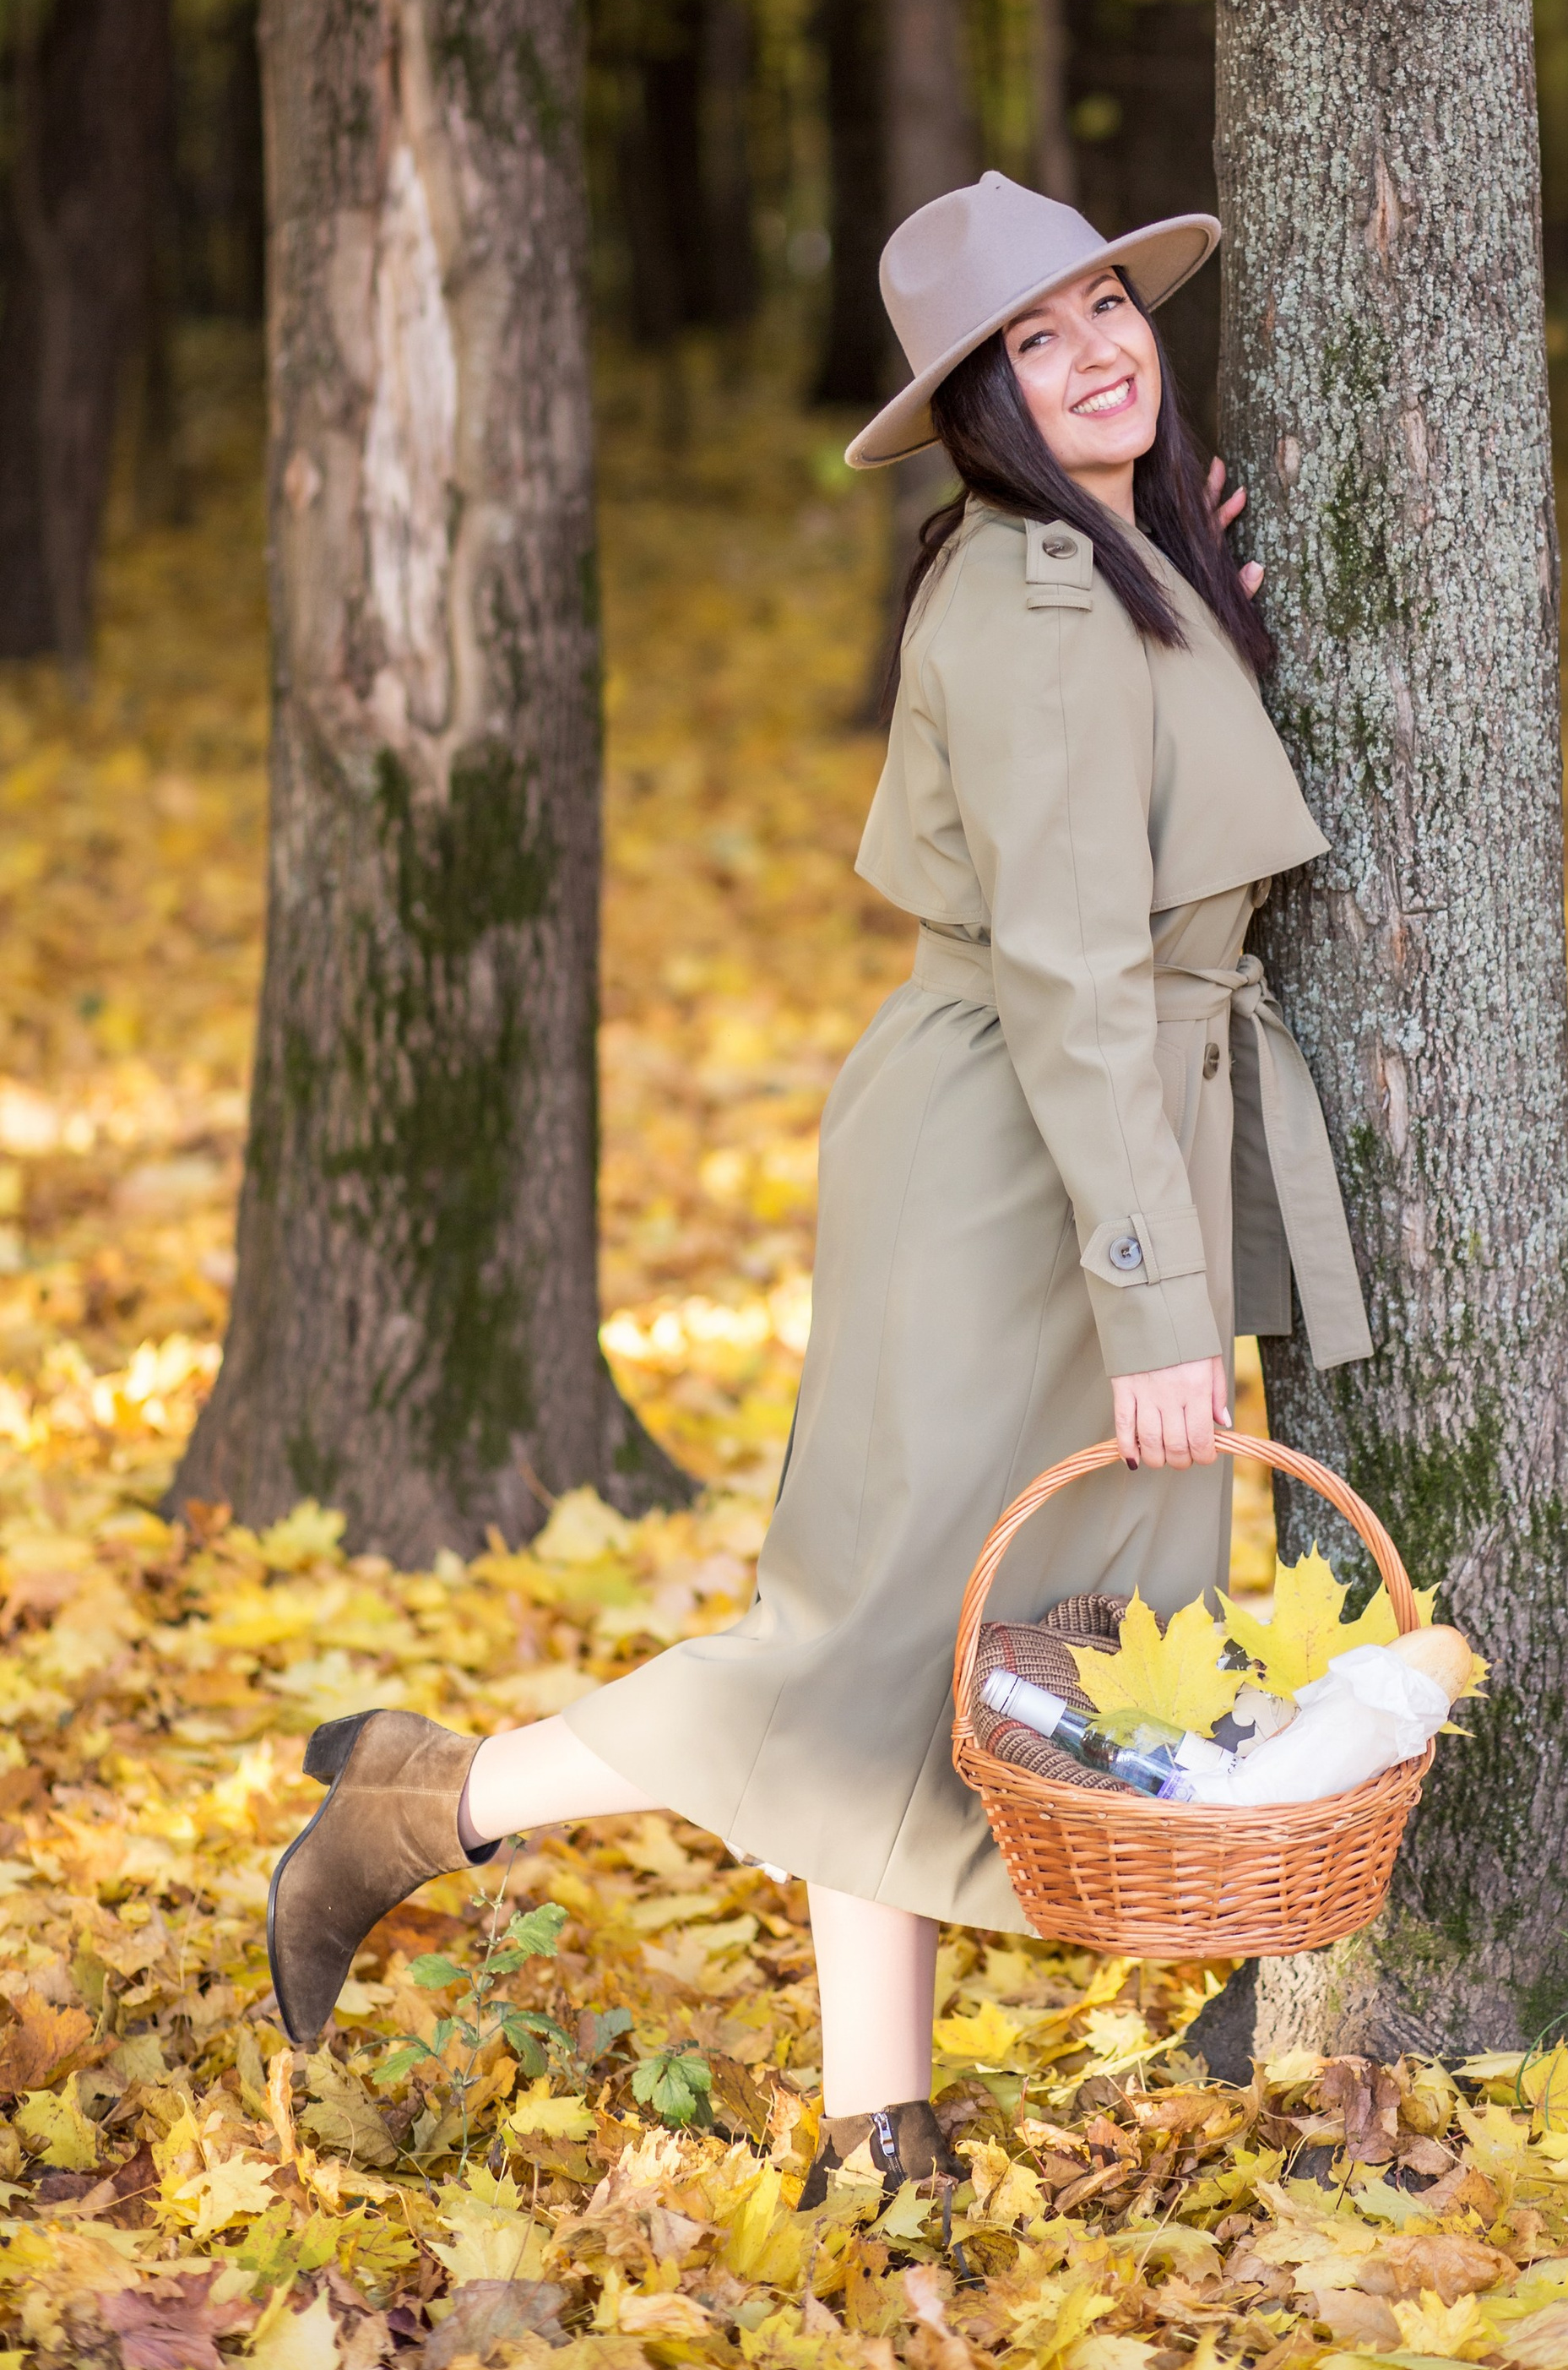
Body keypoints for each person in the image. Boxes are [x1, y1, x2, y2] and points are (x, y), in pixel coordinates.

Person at [263, 172, 1370, 2204]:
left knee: (943, 1654)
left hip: (1085, 1140)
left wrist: (1191, 575)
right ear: (975, 404)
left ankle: (875, 2132)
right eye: (1031, 342)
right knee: (866, 1652)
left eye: (1106, 308)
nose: (1093, 352)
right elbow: (1069, 974)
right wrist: (1151, 1296)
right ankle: (425, 1812)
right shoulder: (1039, 604)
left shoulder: (1104, 563)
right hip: (1018, 1173)